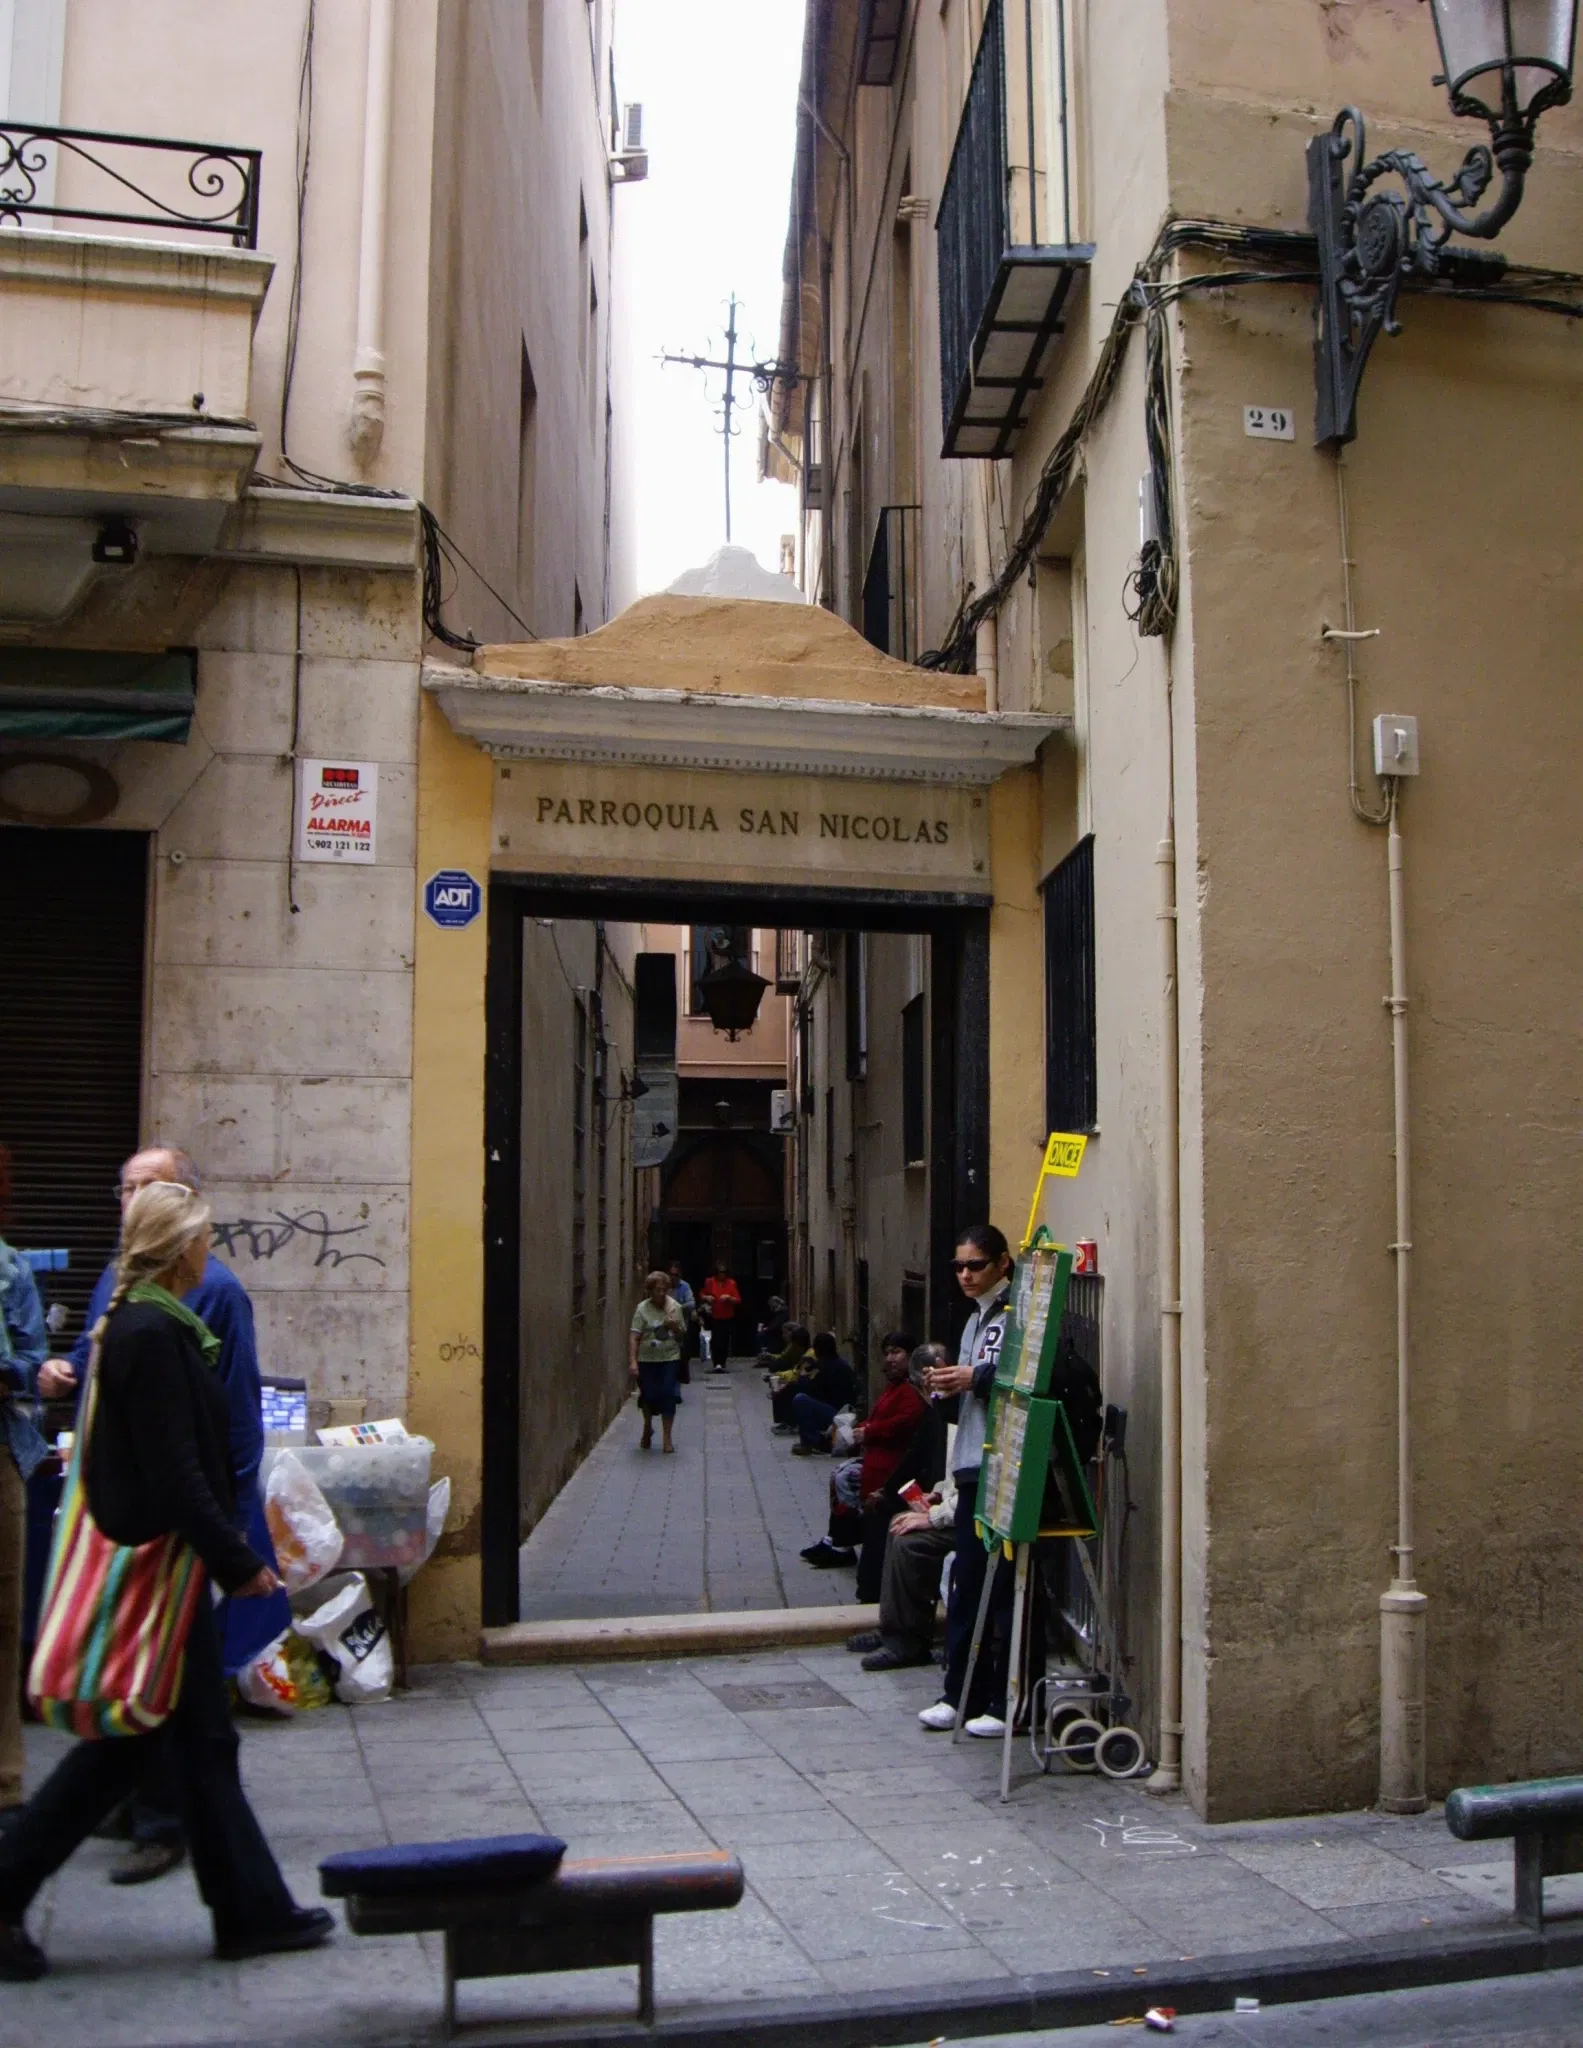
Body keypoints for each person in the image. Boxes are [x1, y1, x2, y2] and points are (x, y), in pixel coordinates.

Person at [0, 1181, 333, 1981]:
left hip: (169, 1567)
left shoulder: (146, 1323)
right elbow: (175, 1471)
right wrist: (237, 1561)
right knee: (135, 1749)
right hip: (161, 1570)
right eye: (202, 1237)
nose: (209, 1249)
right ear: (180, 1248)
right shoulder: (150, 1333)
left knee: (195, 1744)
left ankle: (251, 1910)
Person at [39, 1143, 288, 1887]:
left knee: (179, 1711)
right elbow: (126, 1400)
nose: (132, 1200)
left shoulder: (209, 1297)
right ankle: (233, 1890)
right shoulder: (131, 1301)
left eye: (151, 1188)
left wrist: (230, 1535)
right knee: (173, 1711)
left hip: (168, 1534)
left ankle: (198, 1858)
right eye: (127, 1188)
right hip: (141, 1528)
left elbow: (229, 1424)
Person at [917, 1224, 1017, 1739]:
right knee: (967, 1583)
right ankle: (960, 1692)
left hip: (1004, 1465)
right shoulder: (976, 1318)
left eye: (975, 1265)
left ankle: (1005, 1699)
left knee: (1003, 1590)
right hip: (973, 1463)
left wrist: (973, 1377)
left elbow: (1025, 1380)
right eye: (958, 1266)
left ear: (1002, 1263)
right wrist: (946, 1385)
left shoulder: (1016, 1314)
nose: (965, 1275)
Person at [0, 1145, 48, 1826]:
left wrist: (11, 1370)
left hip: (2, 1451)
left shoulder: (11, 1268)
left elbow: (34, 1360)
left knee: (4, 1617)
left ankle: (5, 1781)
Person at [801, 1334, 925, 1568]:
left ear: (911, 1356)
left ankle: (841, 1544)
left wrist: (868, 1432)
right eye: (887, 1353)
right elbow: (878, 1417)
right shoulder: (894, 1387)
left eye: (896, 1352)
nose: (891, 1358)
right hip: (877, 1456)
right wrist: (859, 1429)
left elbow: (904, 1422)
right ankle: (836, 1541)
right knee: (841, 1474)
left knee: (845, 1477)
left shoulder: (912, 1391)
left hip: (894, 1465)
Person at [628, 1270, 686, 1453]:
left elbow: (682, 1336)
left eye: (664, 1289)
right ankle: (647, 1426)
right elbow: (634, 1336)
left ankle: (667, 1438)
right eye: (657, 1290)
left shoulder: (675, 1307)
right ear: (650, 1290)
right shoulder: (642, 1309)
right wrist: (633, 1361)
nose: (661, 1293)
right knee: (649, 1396)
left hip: (669, 1357)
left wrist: (674, 1326)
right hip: (647, 1359)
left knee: (668, 1394)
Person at [788, 1330, 858, 1455]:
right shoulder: (838, 1363)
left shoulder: (829, 1367)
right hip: (841, 1411)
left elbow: (812, 1390)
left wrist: (804, 1376)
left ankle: (810, 1442)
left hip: (838, 1415)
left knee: (800, 1400)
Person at [767, 1324, 814, 1432]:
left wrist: (782, 1378)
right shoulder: (803, 1353)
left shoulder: (809, 1355)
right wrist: (779, 1375)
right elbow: (795, 1371)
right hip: (803, 1381)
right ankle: (784, 1421)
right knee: (780, 1384)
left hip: (810, 1385)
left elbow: (798, 1375)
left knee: (786, 1388)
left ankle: (790, 1422)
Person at [698, 1260, 741, 1372]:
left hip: (727, 1315)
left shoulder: (731, 1283)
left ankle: (722, 1362)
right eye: (720, 1272)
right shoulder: (710, 1282)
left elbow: (738, 1300)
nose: (722, 1274)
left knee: (725, 1340)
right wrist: (707, 1297)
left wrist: (729, 1298)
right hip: (714, 1315)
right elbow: (702, 1294)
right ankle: (716, 1362)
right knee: (716, 1339)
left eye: (724, 1272)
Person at [666, 1262, 697, 1385]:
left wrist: (679, 1307)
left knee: (682, 1351)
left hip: (681, 1324)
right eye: (671, 1274)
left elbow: (691, 1303)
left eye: (676, 1275)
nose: (673, 1277)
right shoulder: (664, 1286)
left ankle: (682, 1377)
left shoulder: (684, 1286)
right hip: (666, 1324)